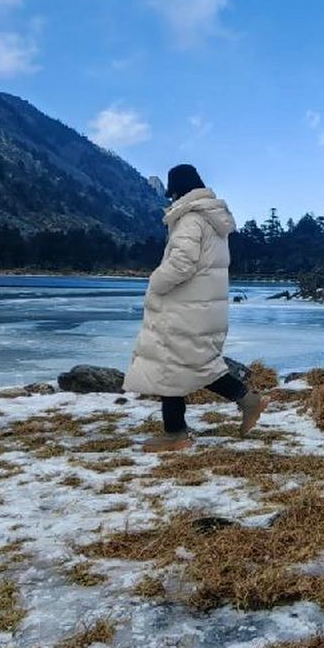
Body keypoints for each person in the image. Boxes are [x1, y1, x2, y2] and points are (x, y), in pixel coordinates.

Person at [123, 163, 263, 452]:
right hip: (201, 307)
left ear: (177, 191)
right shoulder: (212, 218)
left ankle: (176, 435)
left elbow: (181, 263)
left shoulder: (190, 219)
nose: (171, 200)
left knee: (170, 365)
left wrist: (155, 282)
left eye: (171, 193)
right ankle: (248, 400)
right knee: (193, 363)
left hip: (183, 305)